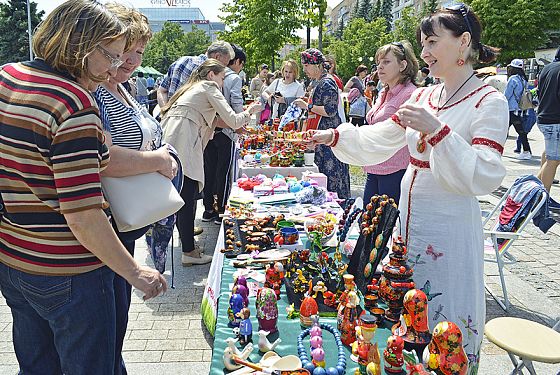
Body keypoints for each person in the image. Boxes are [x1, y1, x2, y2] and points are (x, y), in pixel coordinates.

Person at [308, 5, 506, 371]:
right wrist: (333, 135)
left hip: (448, 228)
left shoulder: (488, 101)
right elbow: (383, 138)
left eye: (432, 42)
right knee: (405, 304)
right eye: (422, 43)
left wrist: (438, 131)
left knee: (444, 317)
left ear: (463, 43)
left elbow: (486, 172)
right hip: (409, 225)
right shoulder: (423, 97)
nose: (425, 52)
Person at [0, 1, 167, 373]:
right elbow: (84, 216)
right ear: (81, 46)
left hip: (15, 261)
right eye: (109, 56)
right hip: (71, 273)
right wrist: (135, 272)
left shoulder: (8, 76)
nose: (113, 68)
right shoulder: (73, 104)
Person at [93, 4, 179, 373]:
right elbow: (101, 157)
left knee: (115, 325)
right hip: (106, 222)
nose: (132, 59)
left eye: (140, 51)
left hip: (128, 219)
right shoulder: (96, 92)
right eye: (126, 48)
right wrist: (159, 161)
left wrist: (165, 154)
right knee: (105, 327)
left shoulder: (124, 88)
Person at [160, 59, 262, 266]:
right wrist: (251, 111)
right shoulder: (209, 86)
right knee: (186, 195)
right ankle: (188, 251)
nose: (223, 83)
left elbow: (217, 121)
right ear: (211, 75)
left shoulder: (194, 88)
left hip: (176, 135)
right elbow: (232, 119)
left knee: (184, 194)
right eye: (222, 77)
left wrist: (236, 126)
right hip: (184, 138)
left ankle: (188, 245)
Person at [362, 41, 419, 206]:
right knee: (368, 224)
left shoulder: (411, 94)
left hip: (395, 170)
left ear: (403, 65)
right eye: (378, 62)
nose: (379, 67)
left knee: (387, 226)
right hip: (375, 165)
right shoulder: (382, 92)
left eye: (386, 62)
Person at [293, 49, 350, 199]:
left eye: (306, 65)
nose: (304, 69)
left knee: (332, 177)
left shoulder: (326, 82)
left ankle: (337, 206)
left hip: (328, 137)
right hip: (324, 136)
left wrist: (308, 106)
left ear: (317, 65)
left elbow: (330, 110)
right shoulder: (321, 81)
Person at [202, 44, 247, 225]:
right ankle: (220, 209)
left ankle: (207, 209)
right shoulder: (233, 77)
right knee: (223, 172)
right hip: (226, 130)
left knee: (209, 170)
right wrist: (241, 122)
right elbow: (236, 102)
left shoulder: (206, 74)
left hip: (210, 129)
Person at [157, 40, 234, 107]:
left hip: (170, 121)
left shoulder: (181, 61)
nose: (224, 69)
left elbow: (161, 91)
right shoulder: (212, 74)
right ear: (217, 57)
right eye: (224, 64)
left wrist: (166, 112)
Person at [536, 48, 560, 202]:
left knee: (549, 154)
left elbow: (538, 92)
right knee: (554, 159)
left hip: (544, 117)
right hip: (555, 120)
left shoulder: (547, 68)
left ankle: (534, 189)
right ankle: (541, 198)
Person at [504, 58, 532, 160]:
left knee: (504, 129)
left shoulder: (512, 79)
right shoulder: (524, 80)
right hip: (519, 109)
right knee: (519, 131)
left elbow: (506, 95)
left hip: (511, 109)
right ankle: (526, 151)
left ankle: (526, 151)